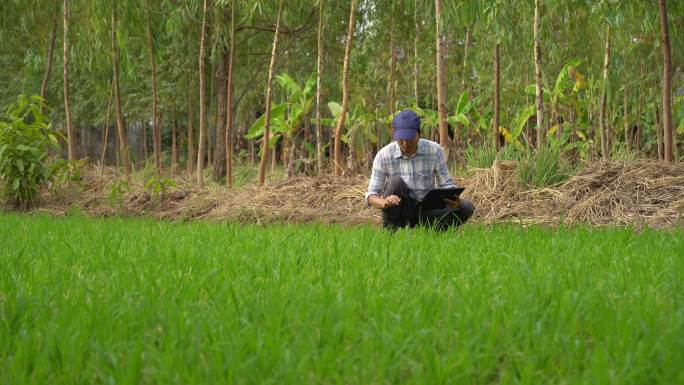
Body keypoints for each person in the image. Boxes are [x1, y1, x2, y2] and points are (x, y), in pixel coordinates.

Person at [364, 109, 475, 230]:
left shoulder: (434, 150)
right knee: (394, 182)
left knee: (466, 207)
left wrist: (454, 199)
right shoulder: (383, 155)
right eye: (401, 139)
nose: (405, 143)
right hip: (400, 211)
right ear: (394, 134)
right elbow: (371, 195)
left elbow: (446, 184)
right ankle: (392, 231)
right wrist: (383, 203)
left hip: (427, 210)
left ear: (419, 133)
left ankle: (431, 228)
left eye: (410, 138)